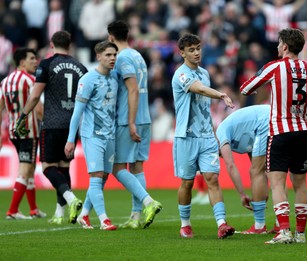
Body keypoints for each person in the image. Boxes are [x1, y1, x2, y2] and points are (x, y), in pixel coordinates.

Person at [240, 28, 307, 244]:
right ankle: (301, 234)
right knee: (300, 183)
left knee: (277, 182)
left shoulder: (274, 67)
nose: (277, 47)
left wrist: (261, 77)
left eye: (278, 44)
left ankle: (284, 231)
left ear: (285, 46)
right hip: (302, 131)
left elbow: (245, 89)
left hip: (280, 131)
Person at [14, 31, 87, 225]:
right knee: (64, 168)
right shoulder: (81, 67)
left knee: (47, 168)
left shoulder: (47, 64)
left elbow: (36, 95)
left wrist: (23, 116)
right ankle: (60, 213)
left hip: (53, 123)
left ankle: (71, 199)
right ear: (69, 45)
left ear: (52, 44)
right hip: (72, 125)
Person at [172, 33, 236, 239]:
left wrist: (214, 135)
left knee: (212, 179)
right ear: (182, 52)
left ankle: (222, 224)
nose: (196, 52)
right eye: (191, 50)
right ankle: (185, 223)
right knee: (187, 183)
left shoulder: (205, 73)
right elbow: (197, 89)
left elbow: (205, 108)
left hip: (207, 137)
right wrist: (220, 94)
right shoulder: (180, 74)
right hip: (186, 136)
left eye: (198, 48)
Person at [107, 20, 162, 229]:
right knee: (137, 166)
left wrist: (129, 121)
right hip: (145, 117)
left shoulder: (121, 58)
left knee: (118, 167)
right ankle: (136, 216)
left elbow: (132, 90)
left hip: (128, 118)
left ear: (111, 37)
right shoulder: (138, 55)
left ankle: (148, 201)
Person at [65, 41, 118, 230]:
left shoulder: (115, 78)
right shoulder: (87, 80)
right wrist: (71, 139)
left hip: (110, 135)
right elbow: (77, 112)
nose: (112, 58)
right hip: (92, 135)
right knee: (95, 176)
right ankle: (104, 219)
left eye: (114, 55)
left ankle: (84, 215)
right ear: (98, 56)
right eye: (108, 55)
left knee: (103, 177)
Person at [0, 47, 46, 220]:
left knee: (29, 168)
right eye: (31, 59)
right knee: (24, 169)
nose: (35, 62)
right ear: (22, 62)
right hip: (29, 131)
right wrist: (48, 122)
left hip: (13, 132)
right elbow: (37, 107)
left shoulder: (5, 81)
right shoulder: (30, 80)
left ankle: (33, 209)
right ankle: (13, 210)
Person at [215, 104, 270, 234]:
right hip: (271, 116)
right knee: (274, 170)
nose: (222, 155)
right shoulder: (239, 132)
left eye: (219, 154)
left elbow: (230, 165)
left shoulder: (220, 133)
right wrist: (264, 189)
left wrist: (242, 194)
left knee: (254, 171)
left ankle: (259, 226)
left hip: (265, 119)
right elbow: (259, 164)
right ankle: (280, 224)